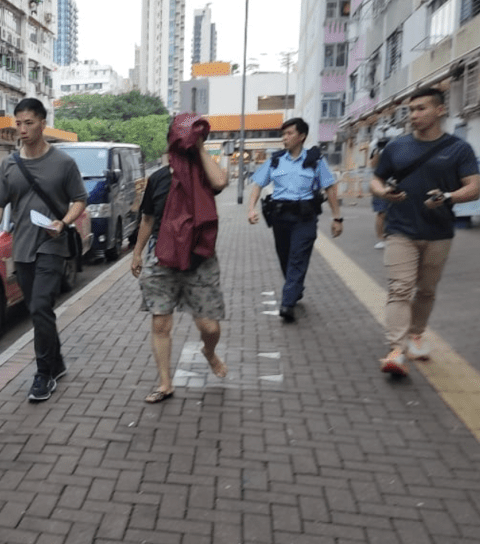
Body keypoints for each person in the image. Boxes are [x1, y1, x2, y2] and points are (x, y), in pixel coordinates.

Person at [368, 87, 480, 376]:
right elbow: (376, 179)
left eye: (421, 109)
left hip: (439, 232)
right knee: (400, 288)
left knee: (426, 290)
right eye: (411, 110)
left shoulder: (459, 148)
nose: (414, 115)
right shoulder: (397, 146)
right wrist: (385, 193)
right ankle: (396, 350)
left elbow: (474, 187)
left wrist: (448, 197)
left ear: (440, 110)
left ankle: (415, 334)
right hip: (400, 230)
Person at [0, 98, 87, 402]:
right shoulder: (10, 164)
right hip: (22, 246)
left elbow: (80, 199)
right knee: (36, 310)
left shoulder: (63, 163)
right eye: (19, 123)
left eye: (29, 123)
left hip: (52, 244)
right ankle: (58, 360)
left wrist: (64, 222)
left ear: (43, 123)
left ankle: (44, 374)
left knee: (40, 306)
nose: (23, 129)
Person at [130, 113, 229, 403]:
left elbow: (221, 182)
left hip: (199, 257)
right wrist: (137, 253)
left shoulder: (204, 173)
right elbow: (147, 219)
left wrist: (200, 149)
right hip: (162, 257)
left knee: (208, 326)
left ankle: (209, 352)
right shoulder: (159, 179)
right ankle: (165, 383)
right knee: (161, 324)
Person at [246, 117, 343, 323]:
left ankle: (287, 304)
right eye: (283, 134)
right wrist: (251, 209)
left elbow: (329, 188)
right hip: (280, 217)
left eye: (289, 133)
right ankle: (295, 289)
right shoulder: (276, 160)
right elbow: (257, 184)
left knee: (298, 257)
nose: (285, 138)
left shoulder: (315, 160)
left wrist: (337, 217)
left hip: (304, 218)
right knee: (285, 258)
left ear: (302, 136)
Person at [369, 136, 389, 249]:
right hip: (379, 184)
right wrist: (377, 151)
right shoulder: (375, 151)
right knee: (381, 213)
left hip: (392, 184)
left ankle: (390, 236)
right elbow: (373, 165)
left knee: (392, 212)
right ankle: (381, 238)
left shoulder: (394, 151)